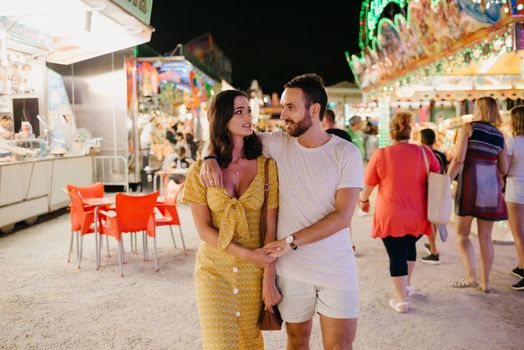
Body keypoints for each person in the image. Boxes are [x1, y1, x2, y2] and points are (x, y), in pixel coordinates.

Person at [201, 74, 363, 349]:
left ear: (314, 110)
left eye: (291, 107)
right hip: (293, 272)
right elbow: (227, 134)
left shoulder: (346, 154)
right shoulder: (277, 143)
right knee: (297, 341)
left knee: (339, 345)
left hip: (336, 268)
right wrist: (208, 157)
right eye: (283, 106)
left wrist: (290, 241)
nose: (283, 114)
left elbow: (342, 217)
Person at [181, 89, 280, 349]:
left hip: (253, 274)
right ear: (222, 118)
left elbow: (271, 229)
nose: (248, 116)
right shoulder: (200, 171)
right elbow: (203, 230)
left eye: (249, 110)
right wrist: (249, 255)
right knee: (219, 343)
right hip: (213, 269)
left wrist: (269, 279)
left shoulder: (267, 167)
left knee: (250, 341)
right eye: (239, 112)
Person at [359, 112, 440, 313]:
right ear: (409, 131)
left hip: (391, 214)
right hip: (419, 214)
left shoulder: (381, 154)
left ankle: (401, 299)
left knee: (396, 254)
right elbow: (438, 175)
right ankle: (407, 285)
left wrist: (363, 201)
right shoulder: (425, 152)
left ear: (392, 133)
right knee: (409, 245)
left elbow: (368, 185)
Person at [448, 97, 509, 293]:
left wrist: (447, 180)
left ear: (479, 109)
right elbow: (504, 168)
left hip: (470, 184)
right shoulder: (500, 135)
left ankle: (471, 276)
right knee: (486, 237)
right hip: (491, 187)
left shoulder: (468, 128)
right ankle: (486, 282)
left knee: (462, 234)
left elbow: (458, 158)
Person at [420, 128, 449, 265]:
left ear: (421, 140)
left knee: (429, 222)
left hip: (427, 190)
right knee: (434, 219)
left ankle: (434, 253)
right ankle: (431, 245)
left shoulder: (421, 154)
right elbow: (446, 172)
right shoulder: (440, 154)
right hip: (440, 189)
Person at [506, 106, 524, 290]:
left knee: (518, 233)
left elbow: (505, 166)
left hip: (516, 187)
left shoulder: (512, 141)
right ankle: (520, 265)